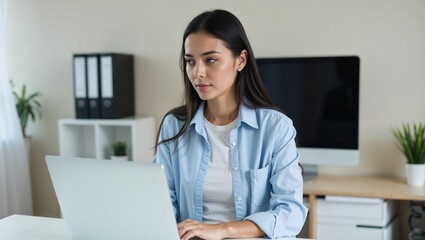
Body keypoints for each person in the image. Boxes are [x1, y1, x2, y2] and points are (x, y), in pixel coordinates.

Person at [153, 9, 307, 240]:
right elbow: (162, 203)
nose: (197, 73)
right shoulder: (174, 126)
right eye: (190, 61)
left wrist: (223, 229)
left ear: (240, 60)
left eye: (210, 60)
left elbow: (291, 213)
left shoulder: (275, 128)